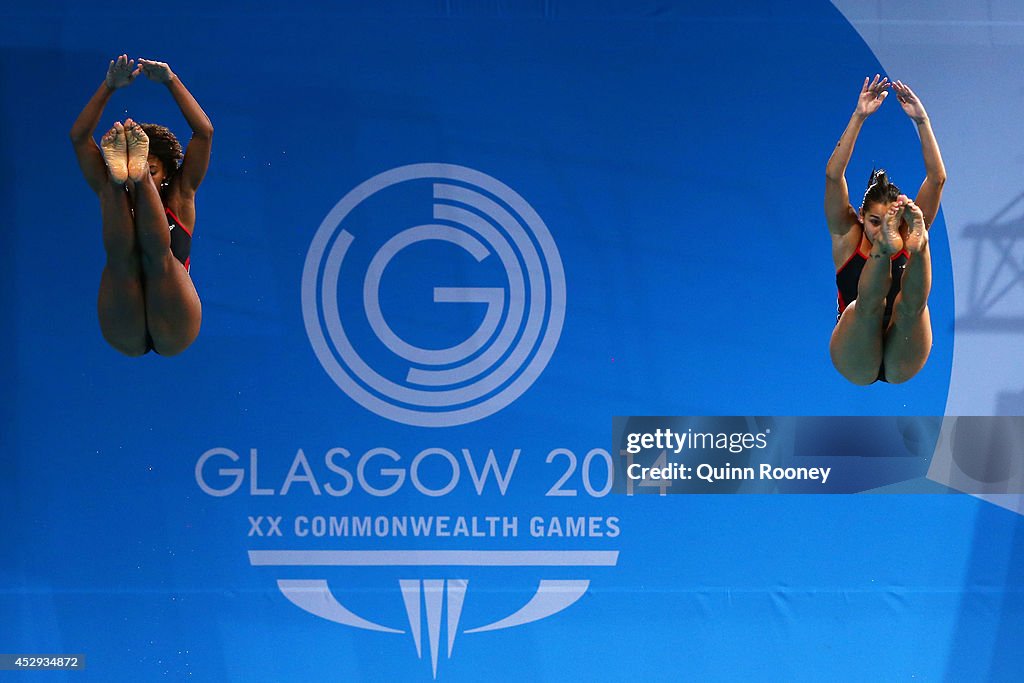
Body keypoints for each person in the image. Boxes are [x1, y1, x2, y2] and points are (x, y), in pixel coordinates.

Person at [70, 55, 213, 356]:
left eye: (152, 170)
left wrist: (171, 81)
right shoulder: (114, 198)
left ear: (166, 174)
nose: (149, 172)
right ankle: (119, 177)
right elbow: (80, 138)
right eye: (142, 168)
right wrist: (109, 86)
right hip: (125, 323)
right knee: (121, 249)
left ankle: (128, 178)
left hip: (175, 322)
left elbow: (204, 133)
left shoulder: (180, 194)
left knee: (158, 256)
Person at [825, 75, 946, 385]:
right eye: (875, 222)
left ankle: (922, 246)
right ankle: (889, 253)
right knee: (865, 307)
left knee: (912, 306)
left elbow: (937, 179)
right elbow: (833, 176)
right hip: (857, 354)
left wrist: (922, 121)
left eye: (887, 223)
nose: (879, 228)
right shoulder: (846, 234)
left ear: (899, 218)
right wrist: (859, 116)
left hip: (903, 349)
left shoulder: (907, 228)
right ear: (861, 215)